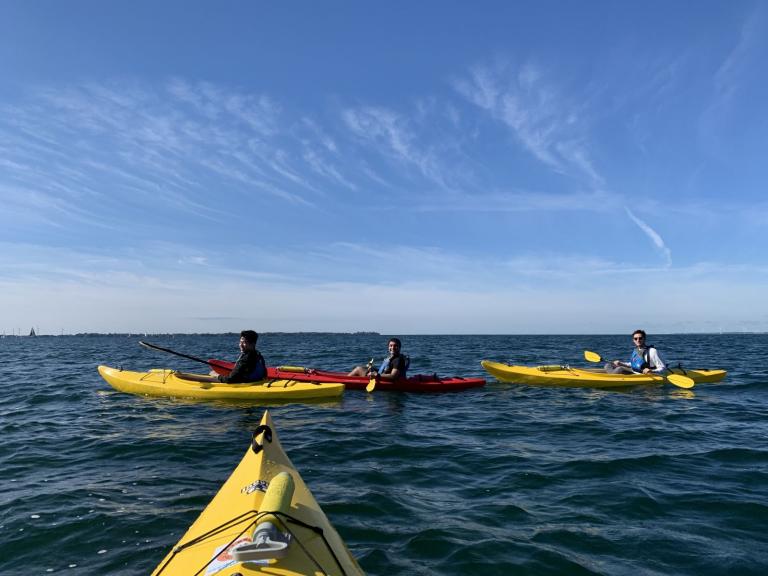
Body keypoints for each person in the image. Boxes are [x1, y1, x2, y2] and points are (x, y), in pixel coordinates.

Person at [178, 330, 266, 383]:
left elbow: (230, 380)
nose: (241, 345)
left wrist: (216, 375)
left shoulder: (246, 359)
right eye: (240, 342)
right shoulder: (258, 354)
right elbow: (264, 373)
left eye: (244, 342)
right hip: (255, 382)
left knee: (209, 375)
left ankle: (181, 377)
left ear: (253, 344)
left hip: (243, 384)